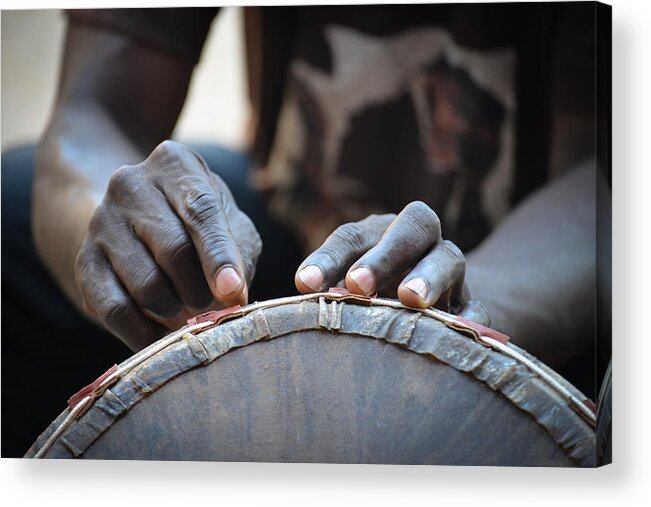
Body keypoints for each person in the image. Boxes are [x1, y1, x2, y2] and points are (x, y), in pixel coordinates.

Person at [1, 4, 610, 458]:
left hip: (525, 279)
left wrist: (468, 314)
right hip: (295, 242)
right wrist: (129, 241)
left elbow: (614, 184)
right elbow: (96, 111)